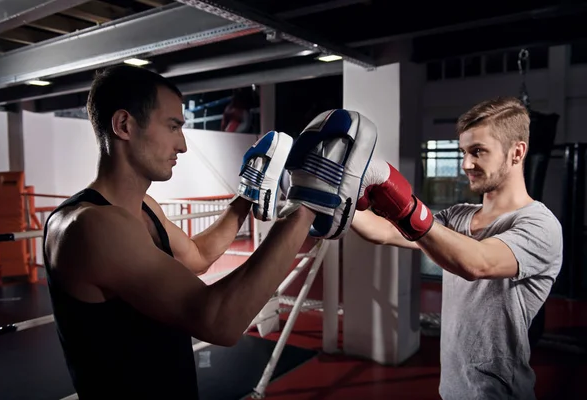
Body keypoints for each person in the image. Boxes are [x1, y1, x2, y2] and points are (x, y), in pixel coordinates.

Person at [42, 65, 376, 399]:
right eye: (173, 127)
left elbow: (198, 256)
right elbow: (218, 320)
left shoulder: (144, 207)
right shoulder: (89, 227)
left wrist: (245, 198)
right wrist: (306, 207)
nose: (183, 145)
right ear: (124, 125)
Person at [351, 96, 563, 400]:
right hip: (452, 389)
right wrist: (334, 198)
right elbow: (384, 231)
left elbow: (477, 263)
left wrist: (404, 207)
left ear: (517, 152)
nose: (466, 164)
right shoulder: (458, 215)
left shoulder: (540, 225)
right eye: (463, 151)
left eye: (478, 152)